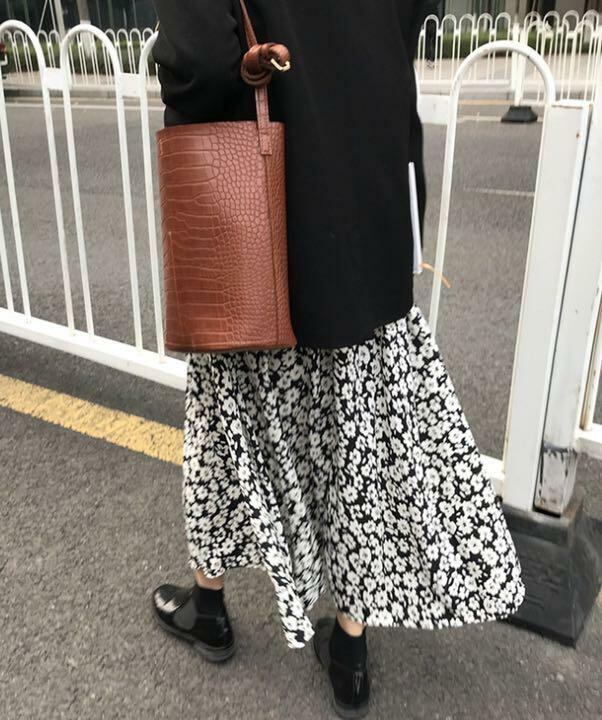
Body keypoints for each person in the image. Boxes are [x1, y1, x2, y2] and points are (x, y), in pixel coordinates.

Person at [150, 2, 525, 717]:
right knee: (355, 431)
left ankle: (210, 604)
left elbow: (195, 59)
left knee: (231, 420)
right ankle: (350, 650)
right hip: (373, 187)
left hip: (265, 208)